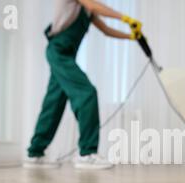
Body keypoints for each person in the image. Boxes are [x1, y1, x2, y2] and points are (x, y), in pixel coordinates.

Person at [24, 0, 142, 170]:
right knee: (86, 93)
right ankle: (87, 154)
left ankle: (35, 154)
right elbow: (95, 6)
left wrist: (132, 37)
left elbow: (106, 30)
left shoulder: (88, 12)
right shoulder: (88, 5)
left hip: (64, 56)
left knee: (53, 104)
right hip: (58, 51)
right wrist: (126, 18)